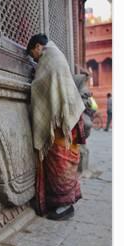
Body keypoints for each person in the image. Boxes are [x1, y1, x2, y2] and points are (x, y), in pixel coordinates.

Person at [27, 33, 86, 220]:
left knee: (60, 163)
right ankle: (67, 202)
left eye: (32, 54)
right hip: (70, 118)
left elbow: (40, 86)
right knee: (66, 162)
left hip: (61, 123)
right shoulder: (57, 54)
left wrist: (33, 81)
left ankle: (64, 205)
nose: (34, 59)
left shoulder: (48, 57)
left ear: (37, 47)